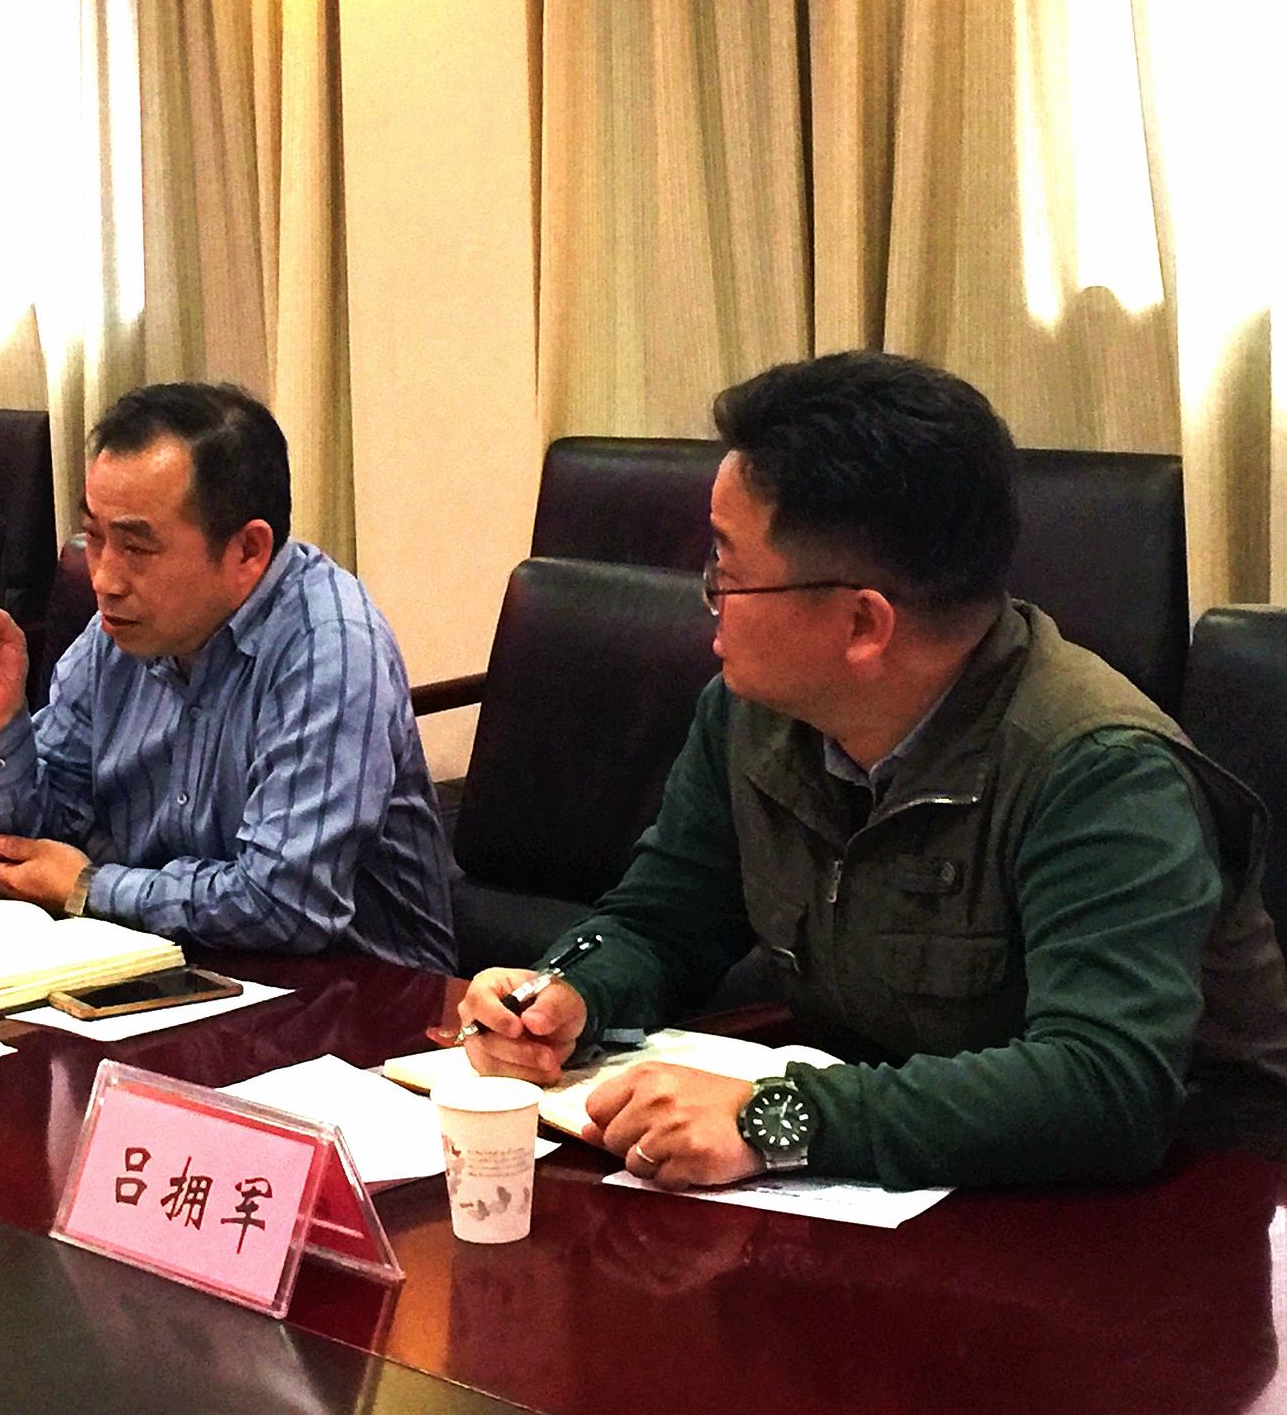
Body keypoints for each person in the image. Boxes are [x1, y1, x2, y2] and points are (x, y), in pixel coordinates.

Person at [458, 351, 1287, 1190]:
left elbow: (1104, 1086)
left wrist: (772, 1119)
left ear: (862, 624)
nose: (706, 599)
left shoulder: (1102, 772)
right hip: (893, 1178)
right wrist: (568, 995)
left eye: (727, 574)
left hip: (1176, 1207)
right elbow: (664, 918)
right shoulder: (752, 714)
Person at [0, 381, 457, 972]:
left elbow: (285, 904)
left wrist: (91, 887)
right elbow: (32, 852)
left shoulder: (329, 647)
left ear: (247, 552)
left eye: (136, 547)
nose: (104, 578)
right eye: (95, 537)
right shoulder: (119, 634)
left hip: (357, 995)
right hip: (165, 970)